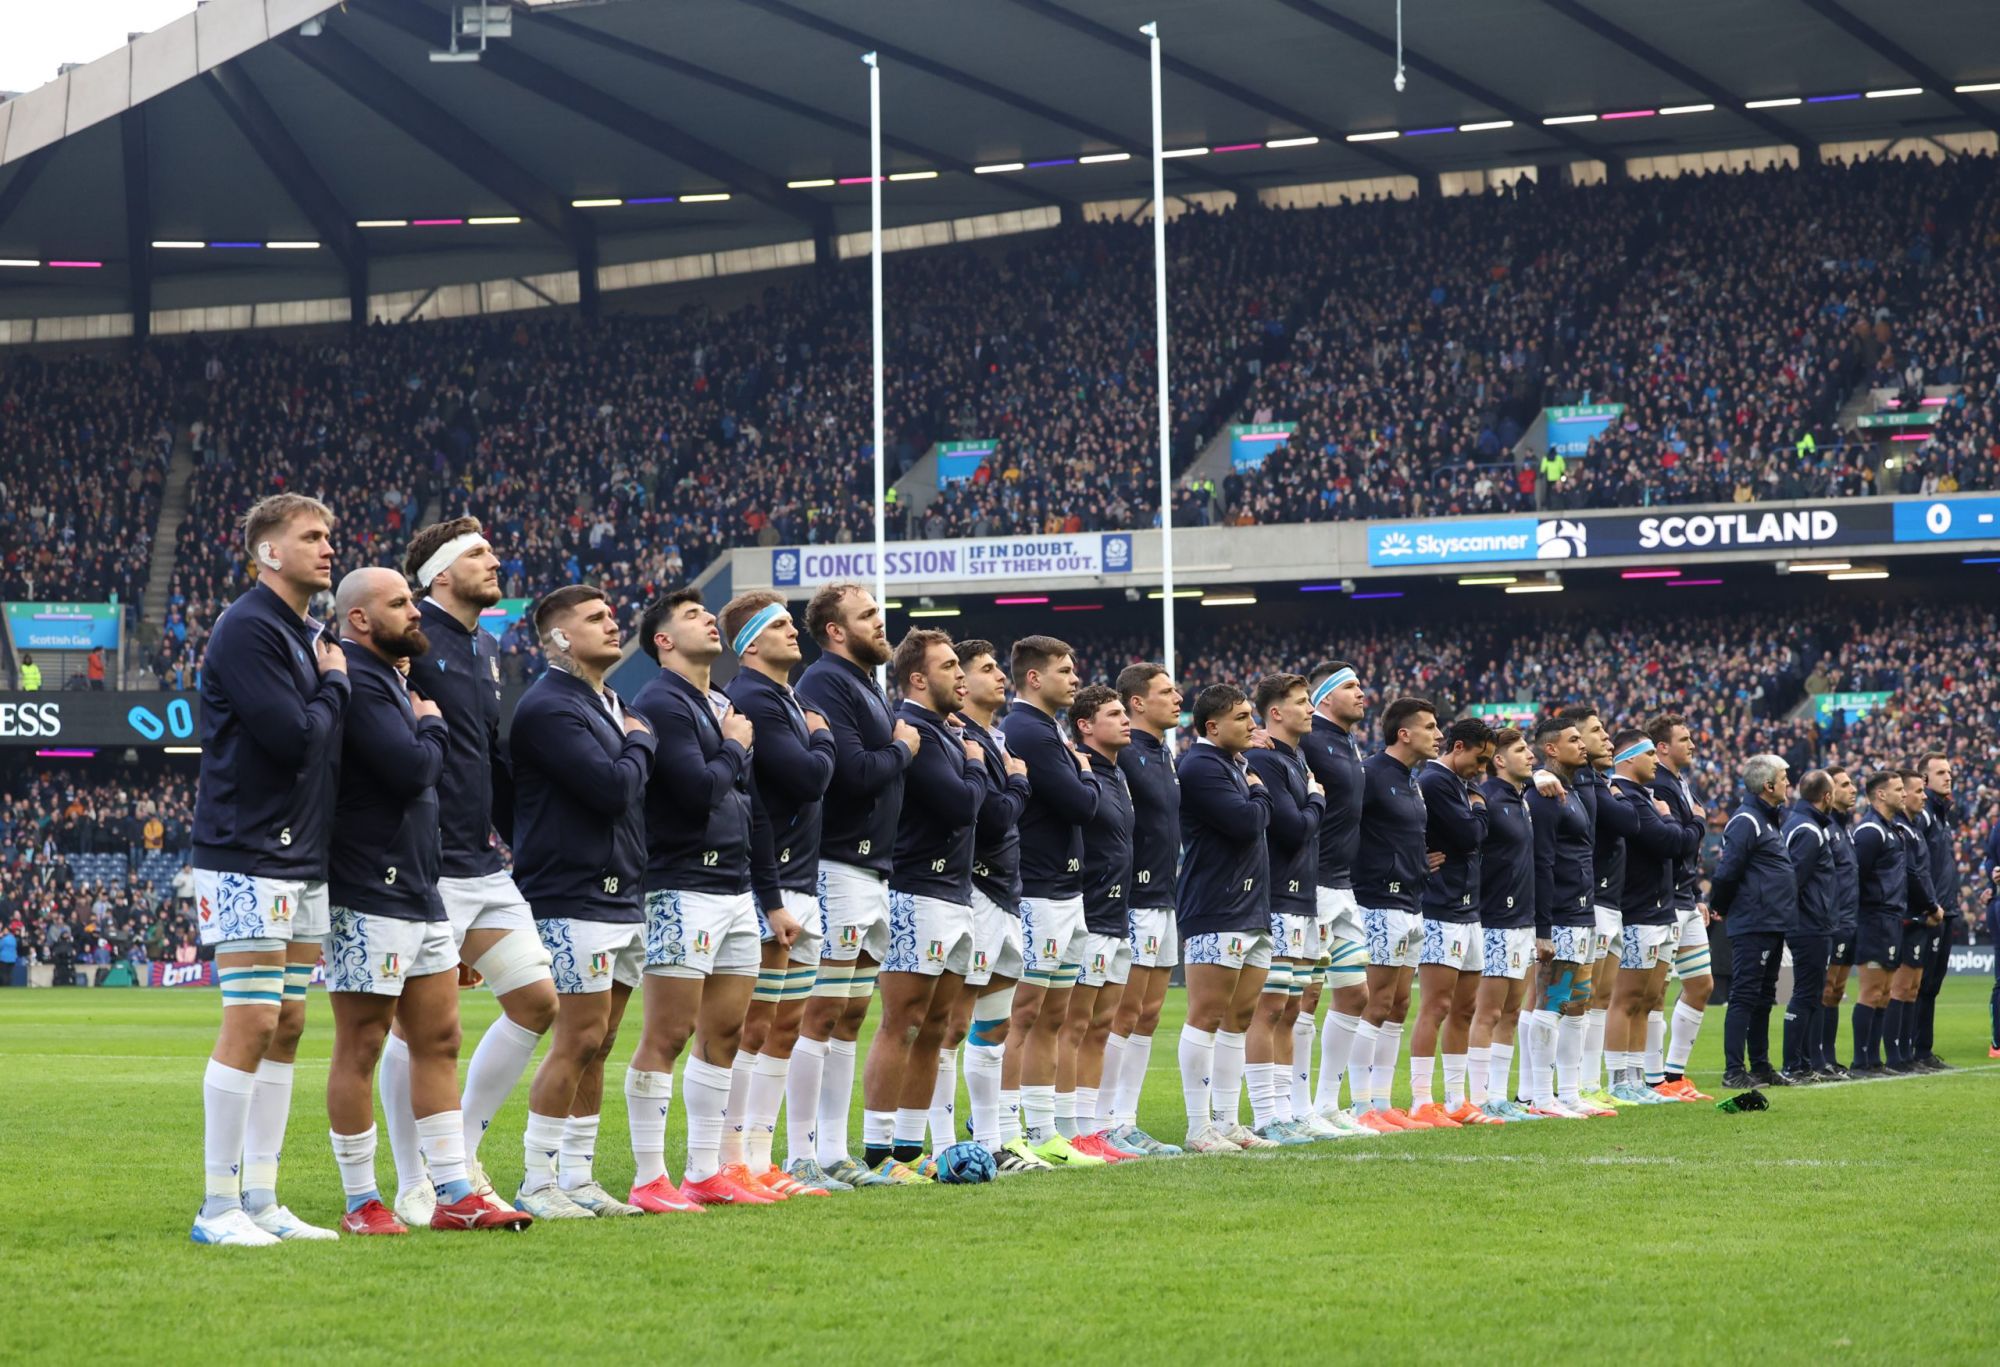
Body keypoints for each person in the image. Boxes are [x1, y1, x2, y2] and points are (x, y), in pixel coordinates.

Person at [321, 567, 531, 1234]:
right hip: (368, 887)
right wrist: (432, 724)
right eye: (400, 604)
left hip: (421, 885)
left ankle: (453, 1191)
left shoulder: (393, 678)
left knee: (439, 1037)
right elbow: (412, 769)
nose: (416, 612)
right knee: (363, 1042)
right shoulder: (360, 680)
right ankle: (362, 1200)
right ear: (360, 619)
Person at [385, 517, 558, 1225]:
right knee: (417, 1030)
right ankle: (411, 1180)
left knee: (538, 999)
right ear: (442, 574)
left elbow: (489, 760)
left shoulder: (485, 646)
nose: (496, 560)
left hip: (481, 862)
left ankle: (456, 1149)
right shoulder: (407, 634)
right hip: (422, 864)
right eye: (480, 553)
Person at [189, 494, 349, 1247]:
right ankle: (216, 1205)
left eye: (329, 536)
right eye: (311, 536)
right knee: (252, 1019)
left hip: (301, 857)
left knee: (287, 1023)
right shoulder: (249, 627)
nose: (327, 547)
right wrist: (337, 683)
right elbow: (291, 738)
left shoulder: (302, 631)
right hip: (247, 852)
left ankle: (261, 1195)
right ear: (268, 554)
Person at [509, 586, 660, 1218]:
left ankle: (579, 1175)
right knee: (576, 1037)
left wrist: (630, 736)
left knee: (601, 1041)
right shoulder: (548, 705)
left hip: (621, 890)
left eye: (610, 614)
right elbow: (609, 788)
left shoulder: (610, 701)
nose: (611, 623)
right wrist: (640, 741)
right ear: (560, 638)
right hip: (571, 894)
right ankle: (536, 1180)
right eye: (594, 618)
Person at [627, 589, 778, 1208]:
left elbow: (745, 803)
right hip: (681, 883)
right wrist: (736, 745)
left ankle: (704, 1170)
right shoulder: (660, 700)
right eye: (691, 616)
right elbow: (695, 789)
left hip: (734, 888)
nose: (708, 620)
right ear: (663, 640)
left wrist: (766, 894)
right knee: (668, 1032)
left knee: (727, 1032)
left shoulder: (718, 701)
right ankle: (647, 1177)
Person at [794, 583, 919, 1187]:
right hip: (838, 865)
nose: (880, 621)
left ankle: (833, 1151)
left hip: (873, 871)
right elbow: (848, 773)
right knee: (819, 1014)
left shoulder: (867, 684)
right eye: (868, 614)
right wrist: (901, 747)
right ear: (836, 631)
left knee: (849, 1018)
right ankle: (800, 1153)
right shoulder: (824, 682)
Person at [719, 592, 842, 1192]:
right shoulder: (753, 698)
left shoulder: (786, 697)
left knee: (785, 1026)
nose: (795, 632)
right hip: (772, 881)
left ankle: (762, 1161)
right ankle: (731, 1159)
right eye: (781, 626)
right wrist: (824, 740)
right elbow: (807, 777)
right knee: (755, 1026)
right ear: (750, 643)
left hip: (800, 878)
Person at [865, 628, 986, 1181]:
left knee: (939, 1025)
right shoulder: (914, 729)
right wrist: (977, 762)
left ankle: (910, 1150)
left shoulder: (943, 730)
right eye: (948, 667)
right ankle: (876, 1149)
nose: (960, 676)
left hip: (956, 893)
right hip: (917, 890)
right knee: (903, 1022)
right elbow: (961, 805)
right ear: (918, 678)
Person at [999, 635, 1105, 1167]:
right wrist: (1084, 771)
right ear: (1034, 678)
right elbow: (1082, 804)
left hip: (1066, 890)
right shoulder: (1027, 731)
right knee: (1025, 1015)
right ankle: (1006, 1130)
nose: (1075, 678)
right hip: (1039, 892)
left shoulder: (1048, 730)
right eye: (1065, 670)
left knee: (1053, 1018)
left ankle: (1043, 1132)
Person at [947, 639, 1044, 1171]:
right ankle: (944, 1142)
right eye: (986, 670)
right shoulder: (962, 738)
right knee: (952, 1023)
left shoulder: (996, 738)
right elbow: (993, 816)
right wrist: (1020, 783)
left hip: (1008, 893)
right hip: (975, 891)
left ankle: (992, 1138)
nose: (999, 677)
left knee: (995, 1026)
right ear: (960, 682)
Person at [1174, 684, 1276, 1153]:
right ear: (1212, 726)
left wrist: (1252, 780)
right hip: (1216, 905)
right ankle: (1199, 1127)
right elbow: (1246, 822)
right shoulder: (1199, 765)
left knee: (1239, 1016)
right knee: (1207, 1015)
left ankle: (1228, 1122)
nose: (1252, 724)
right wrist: (1259, 790)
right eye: (1242, 717)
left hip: (1251, 906)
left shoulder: (1233, 763)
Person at [1103, 662, 1186, 1156]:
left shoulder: (1164, 753)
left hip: (1164, 897)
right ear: (1137, 703)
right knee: (1123, 1013)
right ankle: (1106, 1121)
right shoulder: (1126, 753)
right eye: (1166, 692)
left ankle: (1127, 1120)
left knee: (1149, 1014)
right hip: (1132, 898)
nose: (1178, 698)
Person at [1349, 696, 1442, 1132]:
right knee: (1377, 1001)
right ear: (1404, 734)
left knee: (1400, 1004)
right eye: (1429, 726)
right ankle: (1360, 1104)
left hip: (1410, 900)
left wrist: (1420, 866)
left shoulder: (1413, 780)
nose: (1438, 734)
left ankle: (1384, 1102)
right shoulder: (1369, 774)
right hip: (1377, 901)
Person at [1243, 673, 1327, 1143]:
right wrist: (1316, 798)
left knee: (1292, 1008)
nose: (1310, 709)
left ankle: (1287, 1111)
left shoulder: (1293, 759)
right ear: (1275, 713)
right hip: (1277, 897)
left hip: (1302, 898)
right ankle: (1266, 1114)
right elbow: (1293, 828)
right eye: (1301, 702)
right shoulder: (1267, 760)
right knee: (1270, 1008)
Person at [1061, 683, 1138, 1160]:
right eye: (1114, 714)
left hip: (1116, 914)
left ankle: (1092, 1127)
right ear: (1086, 726)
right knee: (1072, 1025)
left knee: (1101, 1025)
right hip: (1086, 913)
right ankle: (1066, 1126)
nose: (1125, 719)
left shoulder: (1117, 773)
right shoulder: (1080, 768)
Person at [1300, 661, 1376, 1137]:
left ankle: (1327, 1102)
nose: (1362, 692)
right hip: (1311, 886)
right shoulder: (1309, 738)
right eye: (1351, 686)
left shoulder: (1347, 742)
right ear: (1324, 698)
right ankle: (1296, 1107)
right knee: (1303, 997)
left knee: (1354, 993)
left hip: (1343, 884)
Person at [1409, 716, 1495, 1128]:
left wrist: (1476, 805)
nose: (1483, 769)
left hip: (1468, 909)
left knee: (1465, 1007)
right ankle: (1422, 1100)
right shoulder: (1437, 781)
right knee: (1437, 1005)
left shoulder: (1461, 784)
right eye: (1480, 759)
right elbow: (1468, 836)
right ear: (1458, 747)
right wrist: (1479, 810)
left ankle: (1457, 1099)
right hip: (1442, 908)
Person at [1601, 730, 1693, 1105]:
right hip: (1637, 910)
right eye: (1649, 754)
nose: (1656, 760)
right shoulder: (1626, 795)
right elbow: (1670, 843)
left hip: (1657, 909)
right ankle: (1619, 1080)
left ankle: (1637, 1079)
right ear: (1629, 758)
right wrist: (1686, 823)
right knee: (1627, 998)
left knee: (1648, 998)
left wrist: (1673, 822)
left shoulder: (1643, 796)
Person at [1525, 716, 1601, 1119]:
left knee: (1578, 1001)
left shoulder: (1571, 789)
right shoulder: (1544, 795)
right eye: (1574, 740)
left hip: (1582, 911)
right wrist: (1543, 927)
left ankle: (1568, 1092)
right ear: (1550, 748)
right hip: (1561, 914)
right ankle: (1540, 1095)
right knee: (1553, 1000)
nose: (1582, 745)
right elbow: (1543, 861)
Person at [1710, 754, 1798, 1090]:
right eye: (1784, 777)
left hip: (1772, 922)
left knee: (1763, 997)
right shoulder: (1746, 821)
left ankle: (1760, 1065)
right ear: (1768, 785)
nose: (1789, 783)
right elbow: (1727, 871)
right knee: (1745, 995)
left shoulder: (1768, 819)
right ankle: (1734, 1070)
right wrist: (1720, 905)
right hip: (1754, 922)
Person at [1470, 728, 1540, 1120]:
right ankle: (1480, 1097)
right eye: (1520, 750)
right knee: (1489, 1012)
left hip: (1522, 921)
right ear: (1499, 760)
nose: (1530, 756)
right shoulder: (1489, 800)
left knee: (1512, 1012)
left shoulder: (1521, 800)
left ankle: (1499, 1095)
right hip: (1494, 919)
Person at [1647, 714, 1717, 1100]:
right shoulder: (1659, 783)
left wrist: (1700, 895)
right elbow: (1681, 841)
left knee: (1701, 984)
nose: (1692, 744)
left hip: (1687, 898)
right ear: (1662, 747)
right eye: (1685, 739)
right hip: (1665, 900)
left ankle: (1674, 1075)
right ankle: (1654, 1079)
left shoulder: (1680, 781)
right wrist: (1700, 824)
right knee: (1656, 989)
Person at [1780, 770, 1838, 1084]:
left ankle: (1802, 1062)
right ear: (1826, 797)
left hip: (1811, 922)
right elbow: (1795, 881)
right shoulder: (1808, 830)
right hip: (1810, 925)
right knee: (1805, 993)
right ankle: (1794, 1064)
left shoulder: (1802, 824)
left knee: (1811, 994)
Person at [1888, 771, 1944, 1072]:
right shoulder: (1898, 830)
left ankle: (1907, 1054)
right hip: (1908, 916)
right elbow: (1911, 875)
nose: (1924, 796)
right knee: (1899, 988)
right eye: (1918, 791)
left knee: (1912, 988)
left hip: (1921, 915)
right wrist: (1931, 906)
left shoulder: (1913, 829)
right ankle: (1895, 1056)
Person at [1913, 754, 1958, 1069]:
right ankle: (1914, 1051)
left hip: (1945, 910)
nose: (1948, 777)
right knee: (1919, 984)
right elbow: (1917, 865)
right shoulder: (1925, 815)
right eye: (1940, 772)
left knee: (1931, 985)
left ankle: (1922, 1051)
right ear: (1924, 780)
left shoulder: (1941, 815)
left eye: (1950, 772)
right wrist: (1930, 904)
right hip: (1932, 912)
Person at [1816, 767, 1859, 1079]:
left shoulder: (1846, 829)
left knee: (1836, 990)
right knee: (1822, 989)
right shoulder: (1823, 828)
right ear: (1829, 793)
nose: (1853, 789)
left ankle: (1827, 1057)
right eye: (1845, 784)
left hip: (1848, 919)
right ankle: (1815, 1056)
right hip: (1829, 921)